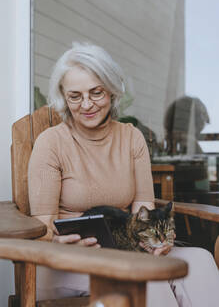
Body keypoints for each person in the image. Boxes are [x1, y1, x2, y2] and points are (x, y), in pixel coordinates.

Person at [28, 42, 219, 306]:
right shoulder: (51, 143)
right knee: (148, 279)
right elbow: (41, 224)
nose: (86, 104)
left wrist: (156, 243)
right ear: (63, 96)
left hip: (126, 249)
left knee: (201, 262)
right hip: (66, 260)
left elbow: (144, 206)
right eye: (75, 96)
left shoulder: (131, 137)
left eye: (96, 92)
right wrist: (59, 240)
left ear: (112, 91)